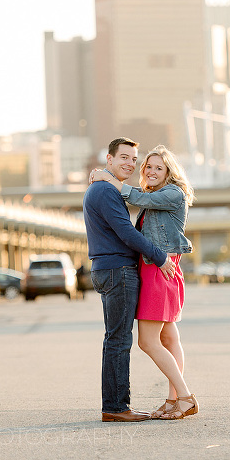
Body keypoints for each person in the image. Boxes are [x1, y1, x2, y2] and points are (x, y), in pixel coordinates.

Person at [91, 144, 199, 420]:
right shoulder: (157, 195)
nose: (150, 171)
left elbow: (136, 197)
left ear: (169, 172)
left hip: (158, 270)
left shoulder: (172, 193)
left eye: (157, 168)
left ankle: (185, 397)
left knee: (148, 342)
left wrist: (109, 179)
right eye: (147, 166)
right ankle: (173, 400)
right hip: (158, 269)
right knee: (169, 338)